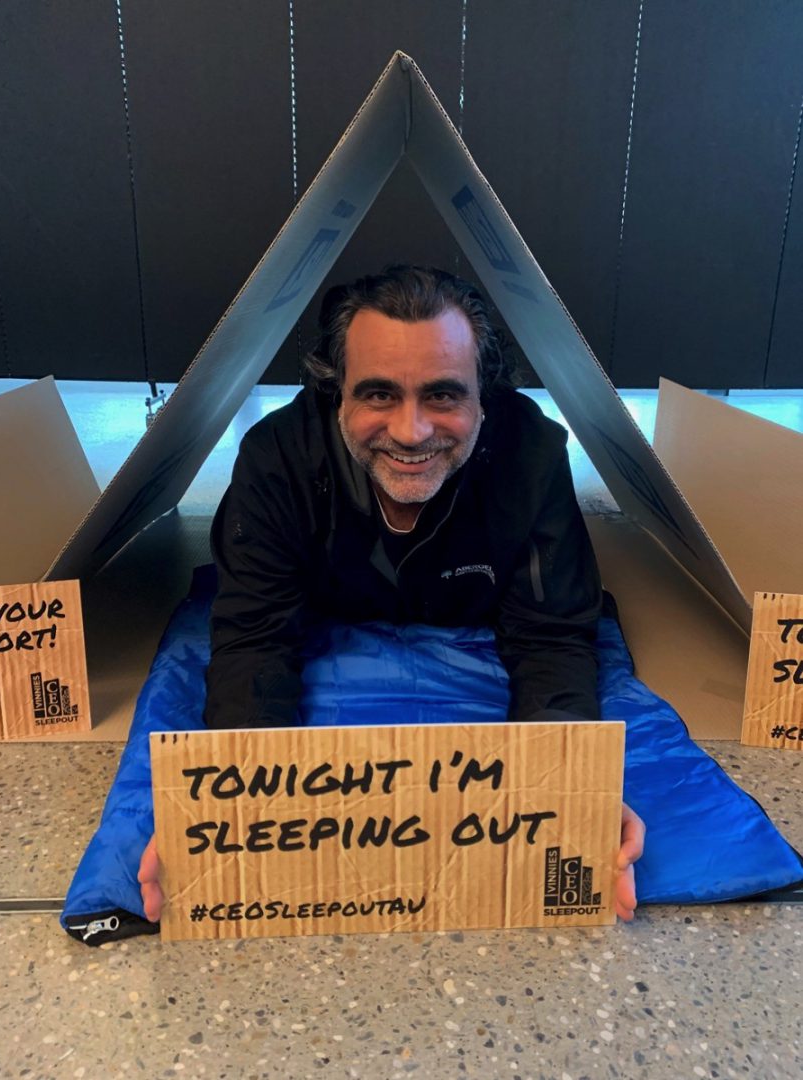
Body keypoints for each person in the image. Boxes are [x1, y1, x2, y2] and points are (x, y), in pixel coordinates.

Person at [139, 266, 645, 922]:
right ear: (336, 393)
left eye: (443, 395)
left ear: (484, 397)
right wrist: (227, 809)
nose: (411, 432)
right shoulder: (277, 458)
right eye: (378, 394)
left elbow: (551, 635)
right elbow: (255, 639)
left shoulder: (530, 454)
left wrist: (571, 790)